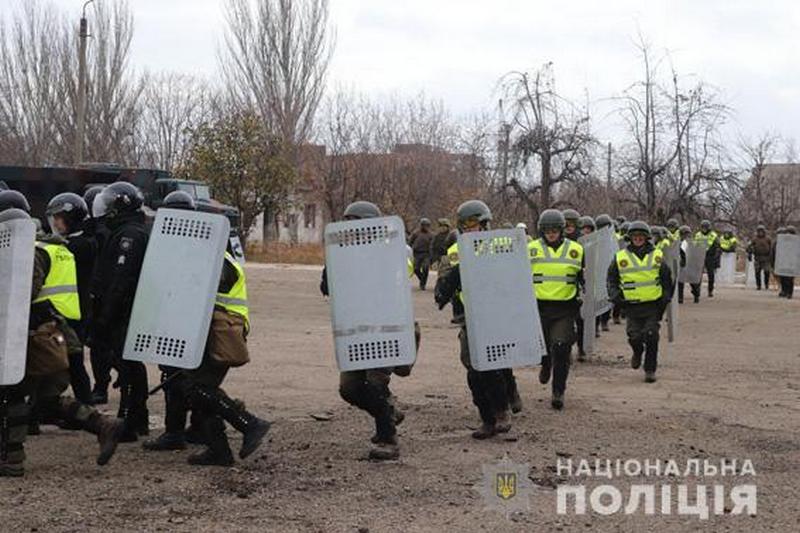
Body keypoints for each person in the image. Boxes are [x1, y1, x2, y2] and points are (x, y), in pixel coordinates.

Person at [144, 191, 270, 465]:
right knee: (197, 390)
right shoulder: (196, 254)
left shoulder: (214, 257)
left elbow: (204, 288)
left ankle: (250, 424)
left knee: (198, 389)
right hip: (207, 332)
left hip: (221, 332)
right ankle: (219, 450)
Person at [0, 206, 124, 477]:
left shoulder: (31, 253)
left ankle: (12, 458)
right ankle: (102, 424)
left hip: (35, 334)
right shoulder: (50, 248)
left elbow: (22, 293)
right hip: (50, 332)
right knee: (45, 400)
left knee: (14, 395)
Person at [320, 201, 417, 460]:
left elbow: (397, 275)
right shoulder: (341, 253)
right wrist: (335, 264)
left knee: (376, 383)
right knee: (349, 388)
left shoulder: (396, 249)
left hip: (387, 327)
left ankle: (388, 439)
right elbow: (327, 287)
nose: (350, 229)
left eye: (356, 224)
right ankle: (389, 412)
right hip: (357, 328)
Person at [435, 200, 520, 437]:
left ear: (484, 225)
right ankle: (486, 418)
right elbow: (441, 288)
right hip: (468, 316)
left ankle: (502, 410)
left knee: (492, 365)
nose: (469, 229)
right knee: (473, 369)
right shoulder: (454, 253)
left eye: (473, 224)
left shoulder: (501, 247)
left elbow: (515, 278)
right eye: (465, 225)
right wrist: (450, 281)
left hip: (496, 315)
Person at [89, 182, 150, 441]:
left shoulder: (130, 236)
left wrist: (106, 316)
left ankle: (130, 420)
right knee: (128, 365)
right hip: (122, 312)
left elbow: (121, 280)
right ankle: (136, 418)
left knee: (129, 367)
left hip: (124, 313)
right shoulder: (125, 230)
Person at [527, 209, 584, 408]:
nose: (551, 233)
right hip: (538, 307)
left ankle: (558, 391)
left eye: (555, 230)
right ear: (541, 230)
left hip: (565, 308)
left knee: (561, 346)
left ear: (562, 230)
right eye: (547, 230)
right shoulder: (530, 248)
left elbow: (584, 277)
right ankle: (545, 363)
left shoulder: (576, 250)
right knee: (543, 347)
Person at [45, 193, 95, 407]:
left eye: (59, 217)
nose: (55, 223)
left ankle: (86, 407)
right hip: (67, 311)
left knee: (72, 363)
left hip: (72, 312)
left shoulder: (80, 245)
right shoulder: (76, 243)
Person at [607, 221, 673, 383]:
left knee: (651, 336)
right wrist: (616, 297)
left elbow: (666, 280)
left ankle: (650, 370)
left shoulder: (657, 255)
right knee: (634, 337)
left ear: (646, 237)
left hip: (652, 305)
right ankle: (637, 352)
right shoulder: (620, 257)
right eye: (635, 236)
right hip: (631, 306)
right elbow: (612, 279)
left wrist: (665, 299)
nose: (638, 239)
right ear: (630, 238)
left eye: (641, 236)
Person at [82, 186, 114, 404]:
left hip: (100, 293)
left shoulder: (99, 233)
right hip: (104, 292)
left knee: (98, 343)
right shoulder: (106, 230)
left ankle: (101, 386)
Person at [595, 214, 614, 332]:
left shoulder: (613, 239)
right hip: (597, 273)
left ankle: (604, 321)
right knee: (596, 301)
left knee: (608, 299)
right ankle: (596, 325)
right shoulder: (594, 239)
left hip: (609, 272)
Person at [692, 220, 720, 300]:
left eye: (705, 227)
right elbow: (694, 245)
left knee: (711, 274)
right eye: (703, 227)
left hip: (709, 256)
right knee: (698, 275)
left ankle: (710, 290)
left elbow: (718, 246)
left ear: (708, 227)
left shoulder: (713, 235)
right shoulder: (698, 235)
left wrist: (716, 255)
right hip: (699, 256)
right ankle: (697, 290)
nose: (704, 229)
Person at [408, 218, 433, 290]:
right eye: (423, 225)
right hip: (417, 254)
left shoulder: (431, 235)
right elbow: (410, 242)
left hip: (426, 254)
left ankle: (423, 284)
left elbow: (433, 245)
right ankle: (422, 279)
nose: (425, 227)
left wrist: (432, 257)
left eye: (427, 226)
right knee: (416, 269)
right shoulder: (415, 233)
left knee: (425, 268)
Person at [773, 226, 796, 299]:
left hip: (792, 262)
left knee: (790, 278)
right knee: (783, 277)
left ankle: (789, 292)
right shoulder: (782, 241)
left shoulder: (796, 241)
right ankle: (784, 291)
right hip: (783, 261)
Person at [746, 225, 772, 291]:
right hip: (757, 257)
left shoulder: (768, 239)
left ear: (764, 231)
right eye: (759, 231)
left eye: (762, 231)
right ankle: (758, 285)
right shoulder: (754, 239)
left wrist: (771, 257)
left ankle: (766, 285)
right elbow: (749, 247)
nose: (760, 233)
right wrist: (749, 254)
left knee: (767, 272)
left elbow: (771, 248)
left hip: (766, 258)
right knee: (757, 272)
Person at [677, 225, 691, 304]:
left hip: (684, 263)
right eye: (685, 234)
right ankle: (679, 297)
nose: (686, 236)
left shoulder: (687, 242)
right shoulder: (677, 241)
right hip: (678, 262)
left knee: (681, 281)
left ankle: (680, 297)